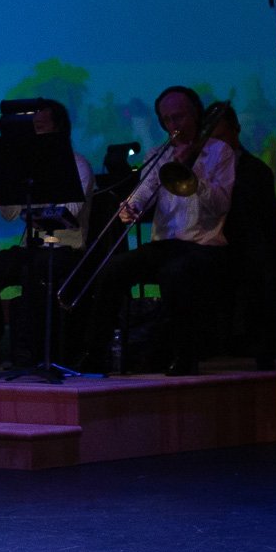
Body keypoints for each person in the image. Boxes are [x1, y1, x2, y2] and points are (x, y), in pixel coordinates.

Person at [92, 85, 237, 375]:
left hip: (205, 247)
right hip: (166, 245)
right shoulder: (159, 154)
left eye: (179, 117)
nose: (173, 125)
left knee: (175, 273)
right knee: (112, 269)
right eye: (166, 119)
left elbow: (221, 205)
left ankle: (183, 355)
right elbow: (144, 191)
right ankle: (95, 354)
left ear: (195, 114)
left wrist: (193, 173)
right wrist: (131, 206)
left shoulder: (220, 151)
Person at [0, 98, 97, 370]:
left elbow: (69, 212)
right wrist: (2, 182)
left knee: (34, 269)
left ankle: (34, 357)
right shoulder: (25, 166)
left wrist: (34, 203)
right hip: (33, 247)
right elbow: (9, 214)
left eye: (39, 126)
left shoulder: (78, 164)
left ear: (59, 129)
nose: (33, 132)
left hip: (65, 249)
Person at [202, 101, 276, 369]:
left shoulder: (256, 170)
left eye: (221, 137)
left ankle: (261, 344)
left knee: (262, 266)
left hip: (241, 245)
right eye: (211, 139)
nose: (217, 145)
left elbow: (265, 222)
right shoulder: (201, 167)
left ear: (236, 130)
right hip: (207, 243)